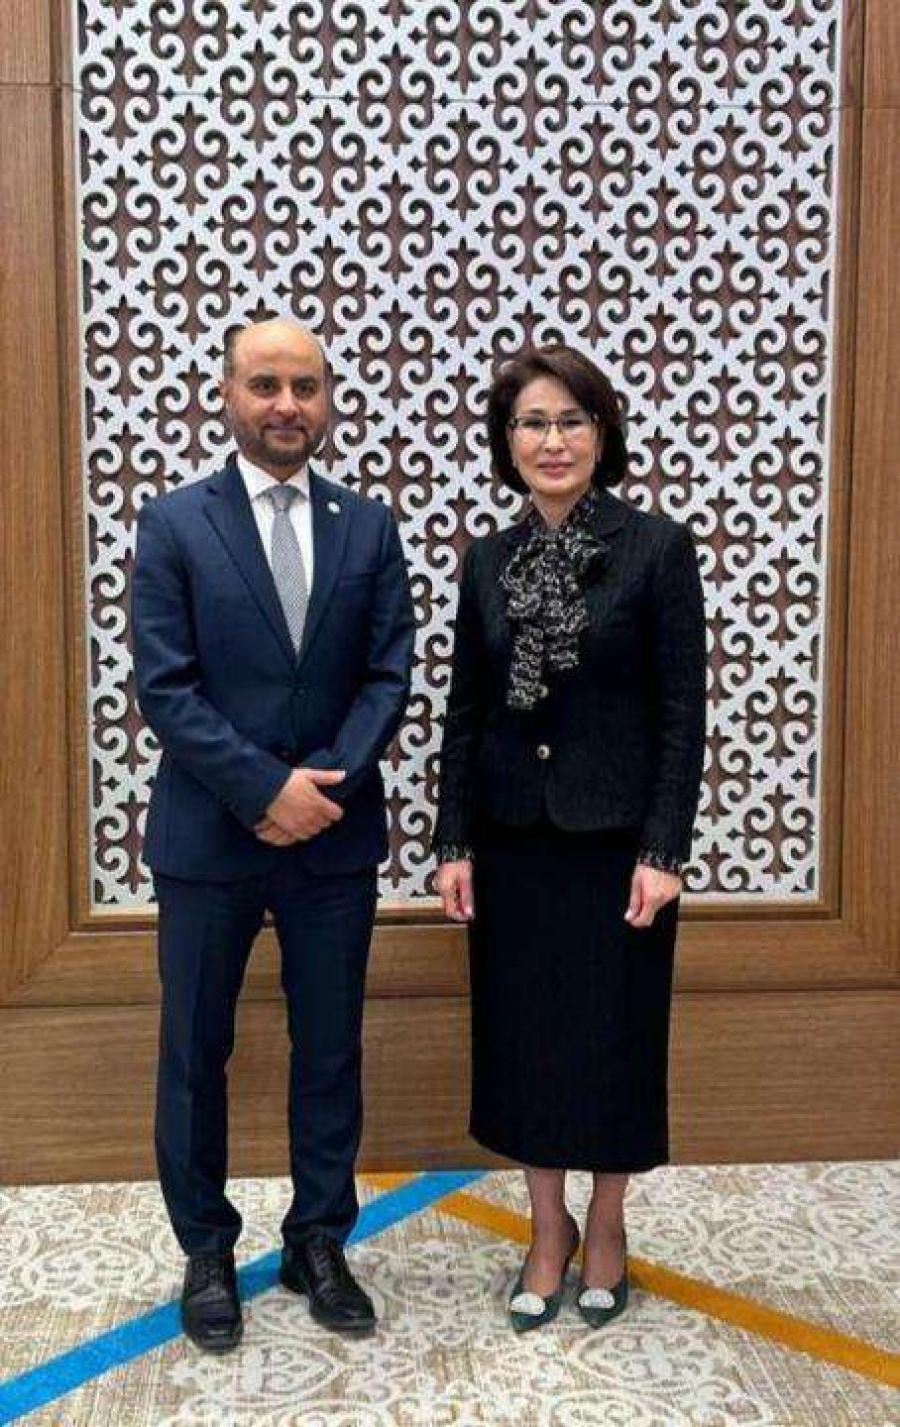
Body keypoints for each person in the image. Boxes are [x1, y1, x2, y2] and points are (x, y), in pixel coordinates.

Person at [131, 317, 415, 1351]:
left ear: (327, 398)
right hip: (208, 838)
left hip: (332, 837)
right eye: (265, 384)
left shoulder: (368, 527)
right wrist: (264, 789)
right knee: (195, 1051)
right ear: (228, 395)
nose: (286, 403)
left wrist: (319, 787)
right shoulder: (174, 523)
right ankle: (206, 1249)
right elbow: (165, 684)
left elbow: (389, 671)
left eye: (304, 384)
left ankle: (318, 1240)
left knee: (329, 1047)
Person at [433, 346, 706, 1332]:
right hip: (514, 842)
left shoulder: (655, 549)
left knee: (614, 1040)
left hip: (617, 847)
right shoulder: (488, 560)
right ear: (507, 443)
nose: (553, 440)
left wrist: (664, 851)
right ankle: (546, 1226)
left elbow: (682, 715)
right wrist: (453, 839)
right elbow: (466, 712)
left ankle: (609, 1222)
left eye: (571, 420)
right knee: (528, 1043)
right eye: (532, 423)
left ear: (602, 433)